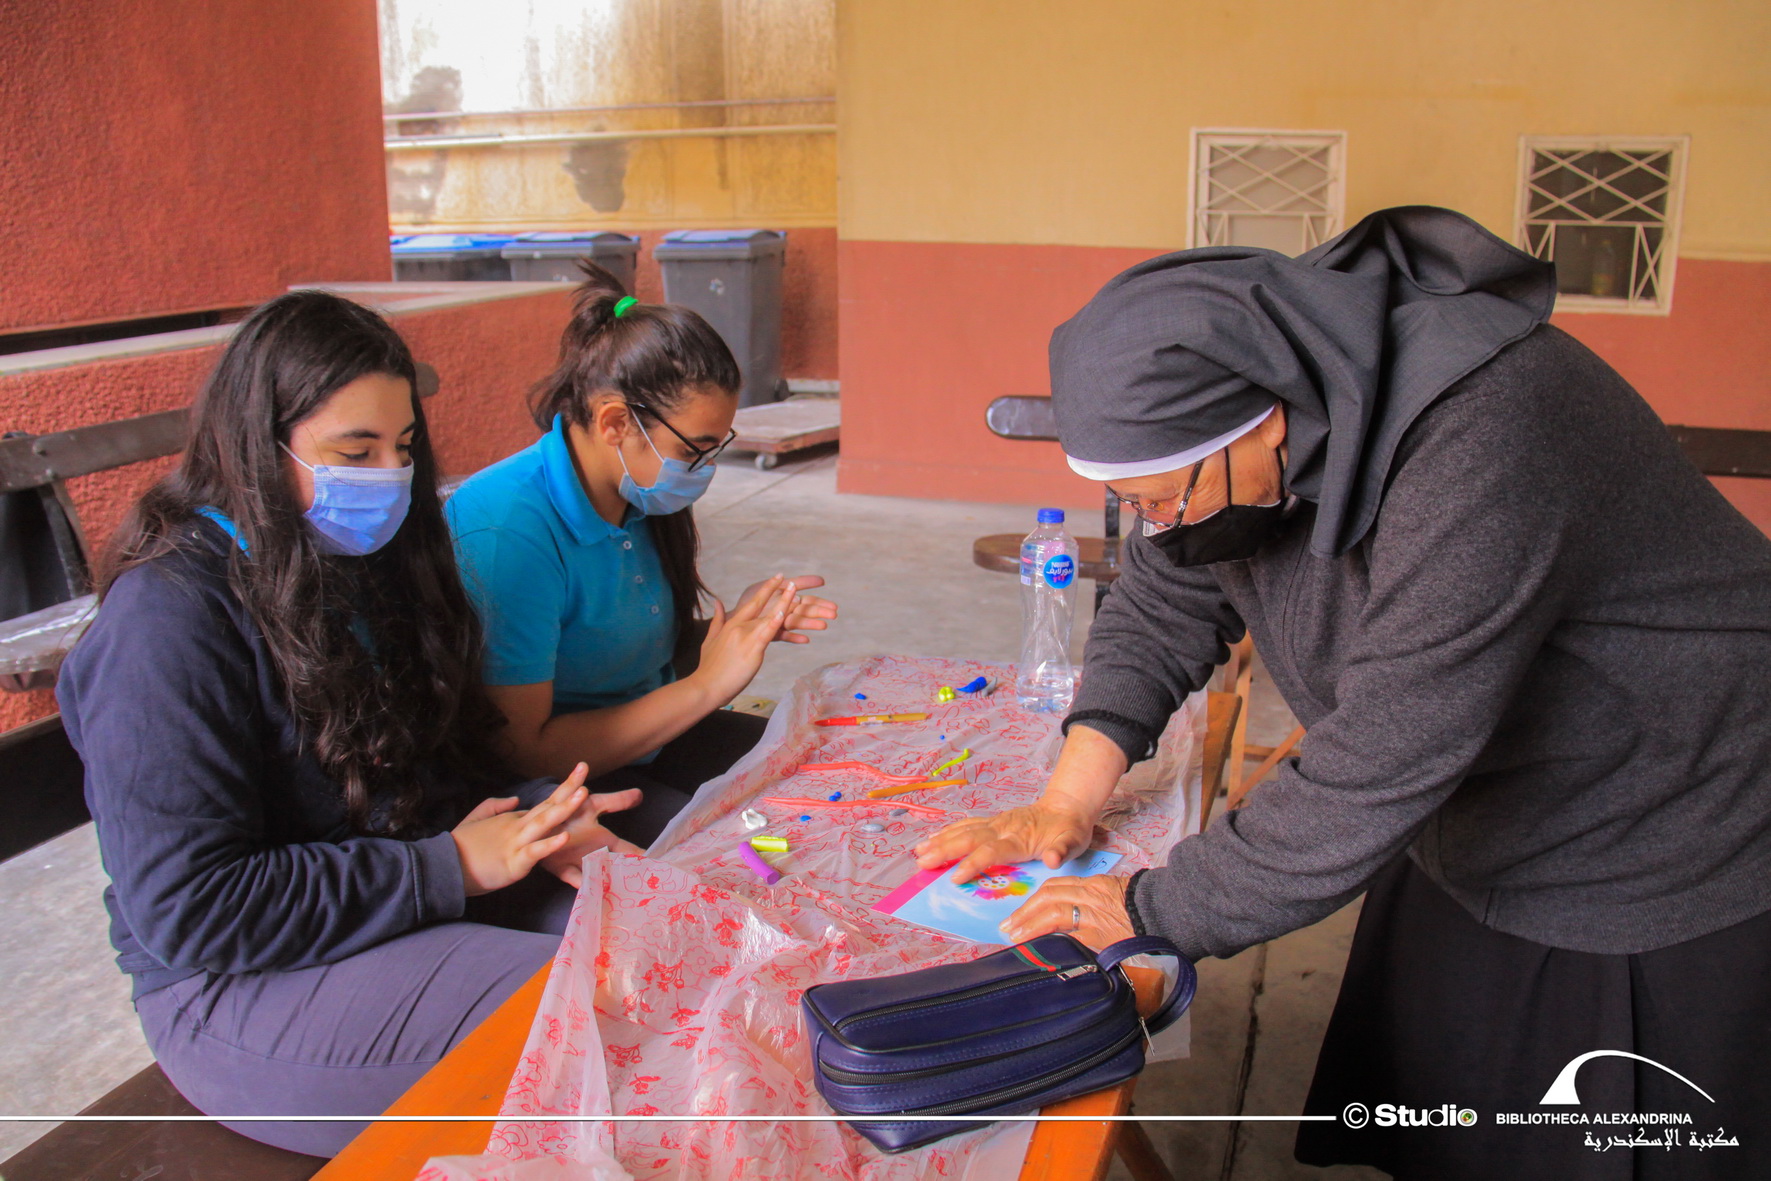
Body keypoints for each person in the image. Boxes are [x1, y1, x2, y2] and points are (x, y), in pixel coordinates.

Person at [916, 207, 1771, 1179]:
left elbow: (1389, 748)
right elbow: (1163, 598)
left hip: (1663, 828)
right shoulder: (1269, 398)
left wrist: (1157, 904)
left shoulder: (1485, 425)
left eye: (1161, 496)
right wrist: (1061, 803)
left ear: (1264, 422)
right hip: (1481, 812)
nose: (1154, 522)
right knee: (1461, 1123)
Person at [57, 291, 643, 1156]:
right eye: (354, 451)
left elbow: (425, 766)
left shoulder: (347, 559)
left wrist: (536, 819)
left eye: (403, 447)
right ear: (258, 446)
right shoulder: (165, 620)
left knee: (648, 934)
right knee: (583, 1010)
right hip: (235, 980)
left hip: (382, 893)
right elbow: (193, 907)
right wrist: (447, 866)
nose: (388, 476)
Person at [446, 265, 836, 844]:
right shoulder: (506, 529)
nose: (703, 469)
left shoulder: (638, 489)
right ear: (615, 422)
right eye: (695, 449)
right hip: (546, 783)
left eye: (716, 448)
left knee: (827, 779)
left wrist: (735, 632)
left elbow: (623, 655)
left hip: (649, 737)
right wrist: (708, 684)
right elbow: (523, 752)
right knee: (735, 852)